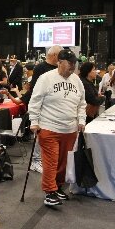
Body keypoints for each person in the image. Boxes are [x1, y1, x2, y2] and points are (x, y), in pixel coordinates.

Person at [28, 49, 86, 207]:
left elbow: (82, 103)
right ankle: (49, 191)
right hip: (49, 127)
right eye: (70, 63)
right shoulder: (45, 78)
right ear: (59, 62)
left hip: (69, 129)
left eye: (74, 63)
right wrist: (34, 121)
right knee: (51, 161)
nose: (73, 66)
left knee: (63, 162)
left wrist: (82, 119)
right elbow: (35, 101)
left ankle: (58, 186)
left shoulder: (77, 80)